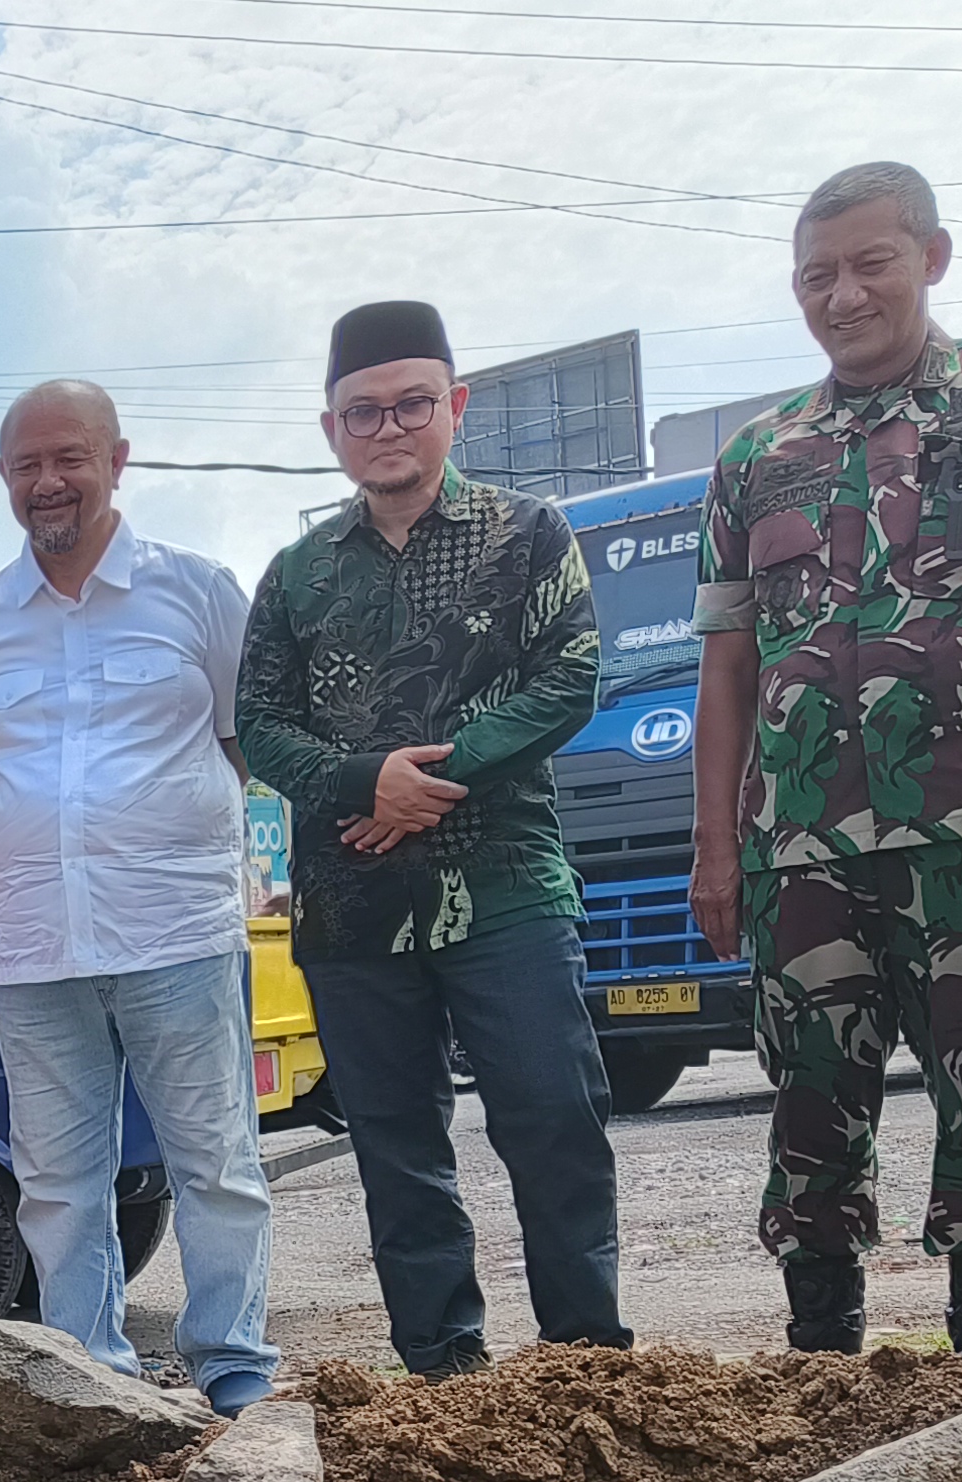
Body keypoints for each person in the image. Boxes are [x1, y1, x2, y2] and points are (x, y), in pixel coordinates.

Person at [691, 164, 962, 1359]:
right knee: (810, 1103)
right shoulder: (759, 453)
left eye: (871, 262)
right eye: (817, 274)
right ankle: (821, 1361)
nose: (844, 293)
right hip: (802, 843)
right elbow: (727, 666)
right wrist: (718, 847)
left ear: (933, 256)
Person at [238, 303, 629, 1380]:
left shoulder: (528, 533)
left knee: (553, 1117)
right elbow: (261, 724)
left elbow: (569, 679)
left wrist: (429, 781)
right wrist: (363, 782)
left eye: (412, 403)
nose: (388, 427)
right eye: (362, 411)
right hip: (354, 906)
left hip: (503, 888)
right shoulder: (297, 574)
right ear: (331, 430)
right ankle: (442, 1377)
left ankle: (583, 1368)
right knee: (398, 1155)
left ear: (454, 408)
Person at [0, 378, 276, 1408]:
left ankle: (234, 1373)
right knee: (55, 1187)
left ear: (116, 460)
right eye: (26, 467)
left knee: (213, 1164)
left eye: (68, 459)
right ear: (4, 480)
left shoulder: (199, 593)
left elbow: (241, 744)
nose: (48, 483)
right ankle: (89, 1384)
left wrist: (145, 828)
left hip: (176, 929)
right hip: (40, 950)